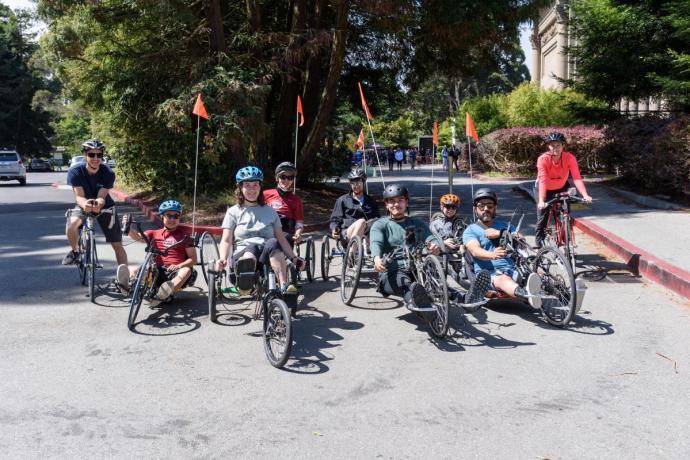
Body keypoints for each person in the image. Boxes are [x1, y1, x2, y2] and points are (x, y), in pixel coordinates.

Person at [217, 166, 304, 295]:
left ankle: (284, 286)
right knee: (250, 250)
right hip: (243, 253)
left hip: (267, 255)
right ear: (240, 187)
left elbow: (281, 239)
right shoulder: (233, 212)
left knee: (273, 242)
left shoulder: (270, 211)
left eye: (255, 185)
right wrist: (222, 259)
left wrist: (294, 258)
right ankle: (245, 281)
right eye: (247, 185)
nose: (252, 189)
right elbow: (226, 240)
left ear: (260, 186)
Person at [61, 139, 130, 278]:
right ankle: (76, 252)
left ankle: (125, 278)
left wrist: (98, 204)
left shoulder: (108, 172)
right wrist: (86, 204)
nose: (96, 158)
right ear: (85, 155)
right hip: (83, 203)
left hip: (104, 205)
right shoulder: (75, 171)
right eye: (92, 155)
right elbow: (79, 196)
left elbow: (102, 196)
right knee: (71, 225)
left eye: (99, 155)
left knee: (117, 243)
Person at [370, 184, 441, 313]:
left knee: (438, 285)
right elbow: (376, 242)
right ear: (386, 204)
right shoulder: (380, 225)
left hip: (416, 269)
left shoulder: (416, 222)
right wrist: (376, 258)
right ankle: (423, 307)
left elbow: (430, 237)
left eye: (400, 200)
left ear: (406, 202)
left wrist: (434, 245)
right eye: (392, 201)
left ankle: (463, 297)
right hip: (392, 273)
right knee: (407, 284)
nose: (396, 204)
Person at [462, 188, 538, 303]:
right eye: (481, 206)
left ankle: (568, 295)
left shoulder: (505, 225)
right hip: (488, 274)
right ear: (475, 209)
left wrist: (500, 233)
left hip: (514, 269)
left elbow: (521, 240)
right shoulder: (471, 230)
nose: (486, 209)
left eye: (490, 206)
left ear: (495, 208)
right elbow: (475, 251)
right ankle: (527, 296)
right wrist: (492, 255)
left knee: (539, 272)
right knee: (503, 279)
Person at [119, 200, 197, 305]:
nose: (172, 219)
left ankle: (163, 294)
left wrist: (179, 266)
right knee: (131, 269)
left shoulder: (185, 237)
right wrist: (129, 228)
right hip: (155, 270)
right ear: (162, 217)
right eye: (169, 216)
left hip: (173, 272)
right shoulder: (154, 233)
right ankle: (127, 287)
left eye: (176, 216)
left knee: (186, 270)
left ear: (179, 217)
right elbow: (138, 237)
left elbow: (193, 259)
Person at [535, 132, 593, 247]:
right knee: (543, 215)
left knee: (566, 209)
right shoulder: (543, 159)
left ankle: (567, 237)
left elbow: (576, 177)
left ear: (563, 146)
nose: (555, 148)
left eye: (558, 145)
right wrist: (542, 200)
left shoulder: (569, 158)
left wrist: (585, 195)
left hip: (561, 186)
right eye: (552, 145)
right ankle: (539, 242)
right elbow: (542, 181)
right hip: (544, 188)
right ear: (548, 146)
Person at [329, 168, 380, 242]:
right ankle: (351, 252)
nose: (356, 186)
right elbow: (335, 219)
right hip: (347, 233)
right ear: (350, 184)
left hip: (366, 235)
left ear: (363, 182)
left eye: (359, 182)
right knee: (361, 222)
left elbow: (377, 219)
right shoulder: (342, 200)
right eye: (353, 183)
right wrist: (335, 228)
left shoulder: (371, 201)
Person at [263, 162, 304, 244]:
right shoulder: (265, 194)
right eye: (283, 177)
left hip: (285, 232)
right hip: (266, 229)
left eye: (290, 177)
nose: (286, 180)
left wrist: (298, 233)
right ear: (277, 178)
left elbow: (299, 222)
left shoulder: (296, 200)